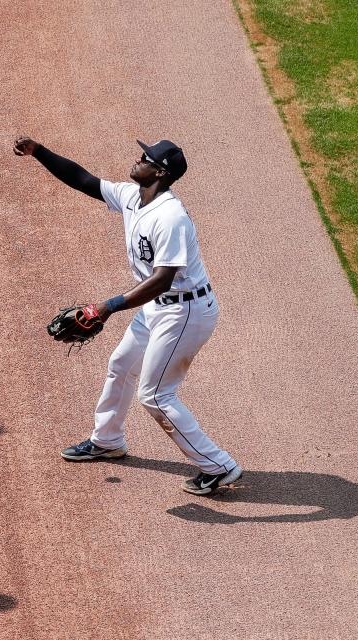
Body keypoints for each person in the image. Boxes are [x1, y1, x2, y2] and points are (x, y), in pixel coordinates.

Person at [13, 135, 242, 495]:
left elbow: (162, 280)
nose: (138, 160)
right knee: (122, 364)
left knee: (155, 395)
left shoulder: (171, 218)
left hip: (184, 312)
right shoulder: (133, 197)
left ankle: (218, 466)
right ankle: (107, 440)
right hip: (158, 308)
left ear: (160, 172)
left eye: (145, 158)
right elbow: (83, 180)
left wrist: (108, 307)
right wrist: (38, 152)